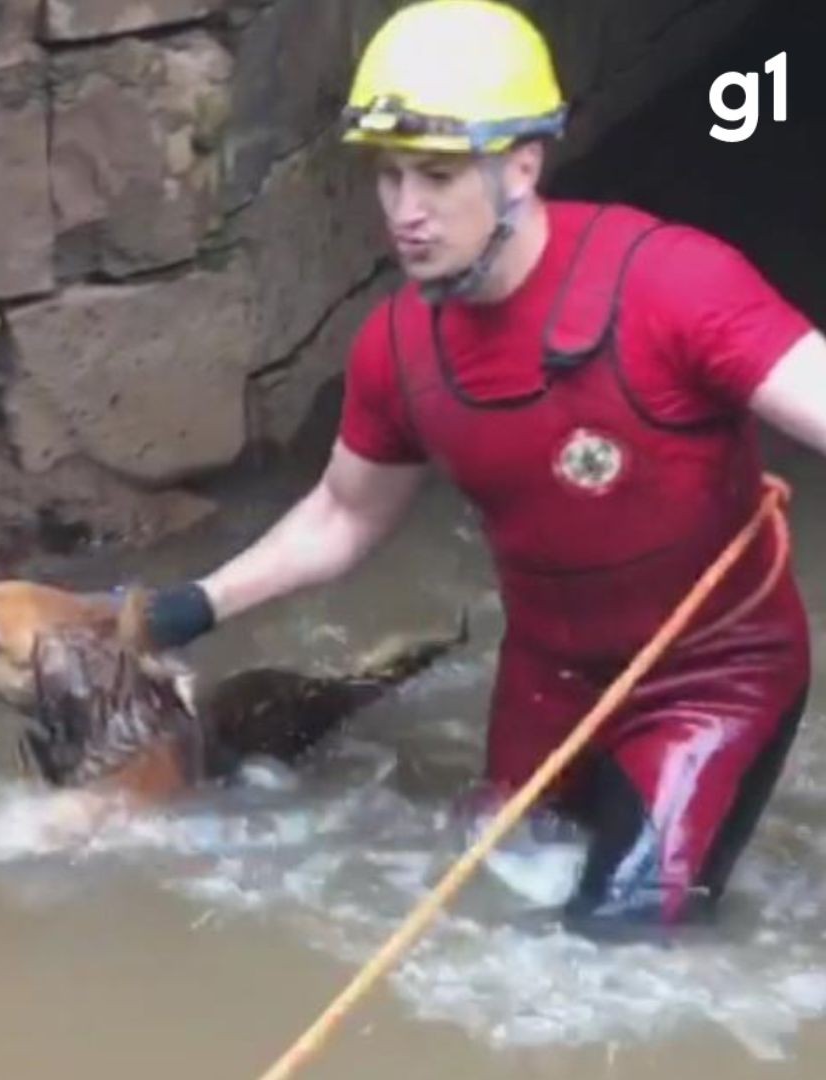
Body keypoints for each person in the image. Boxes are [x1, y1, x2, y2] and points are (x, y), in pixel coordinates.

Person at [124, 0, 826, 939]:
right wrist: (188, 607)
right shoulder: (398, 348)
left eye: (439, 177)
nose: (406, 213)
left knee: (613, 942)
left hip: (715, 675)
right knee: (491, 875)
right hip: (551, 672)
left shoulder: (672, 286)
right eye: (390, 178)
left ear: (521, 167)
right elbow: (342, 515)